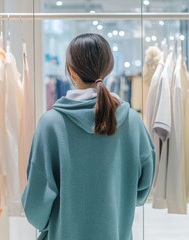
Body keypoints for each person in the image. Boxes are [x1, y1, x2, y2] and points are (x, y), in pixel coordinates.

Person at [22, 33, 155, 240]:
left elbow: (36, 208)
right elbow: (142, 191)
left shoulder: (51, 124)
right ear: (108, 69)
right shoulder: (131, 121)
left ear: (71, 72)